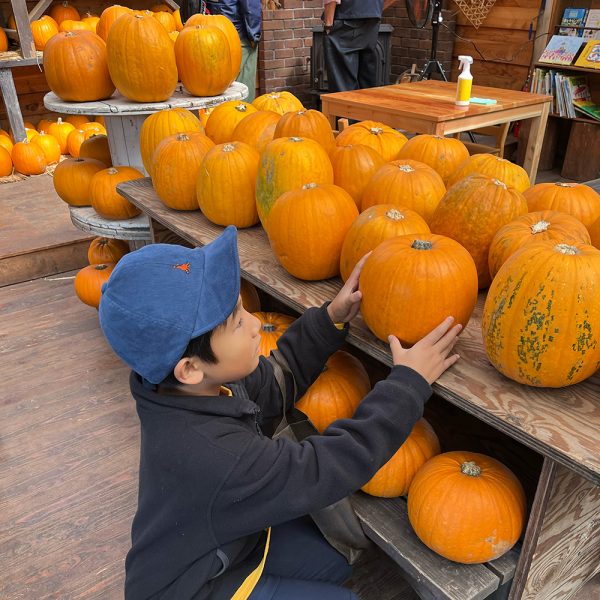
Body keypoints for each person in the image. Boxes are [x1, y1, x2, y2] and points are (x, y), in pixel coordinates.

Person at [99, 226, 461, 599]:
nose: (256, 324)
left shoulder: (190, 389)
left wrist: (330, 318)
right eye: (238, 322)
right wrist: (408, 384)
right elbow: (325, 467)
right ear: (190, 368)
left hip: (221, 549)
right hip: (194, 590)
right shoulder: (214, 455)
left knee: (333, 561)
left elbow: (274, 381)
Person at [323, 0, 385, 92]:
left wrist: (328, 24)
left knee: (342, 85)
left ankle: (345, 106)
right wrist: (376, 10)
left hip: (345, 16)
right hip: (372, 17)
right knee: (367, 83)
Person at [206, 0, 262, 101]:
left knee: (222, 87)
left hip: (213, 35)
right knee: (244, 86)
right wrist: (254, 35)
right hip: (239, 35)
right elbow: (250, 6)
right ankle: (243, 113)